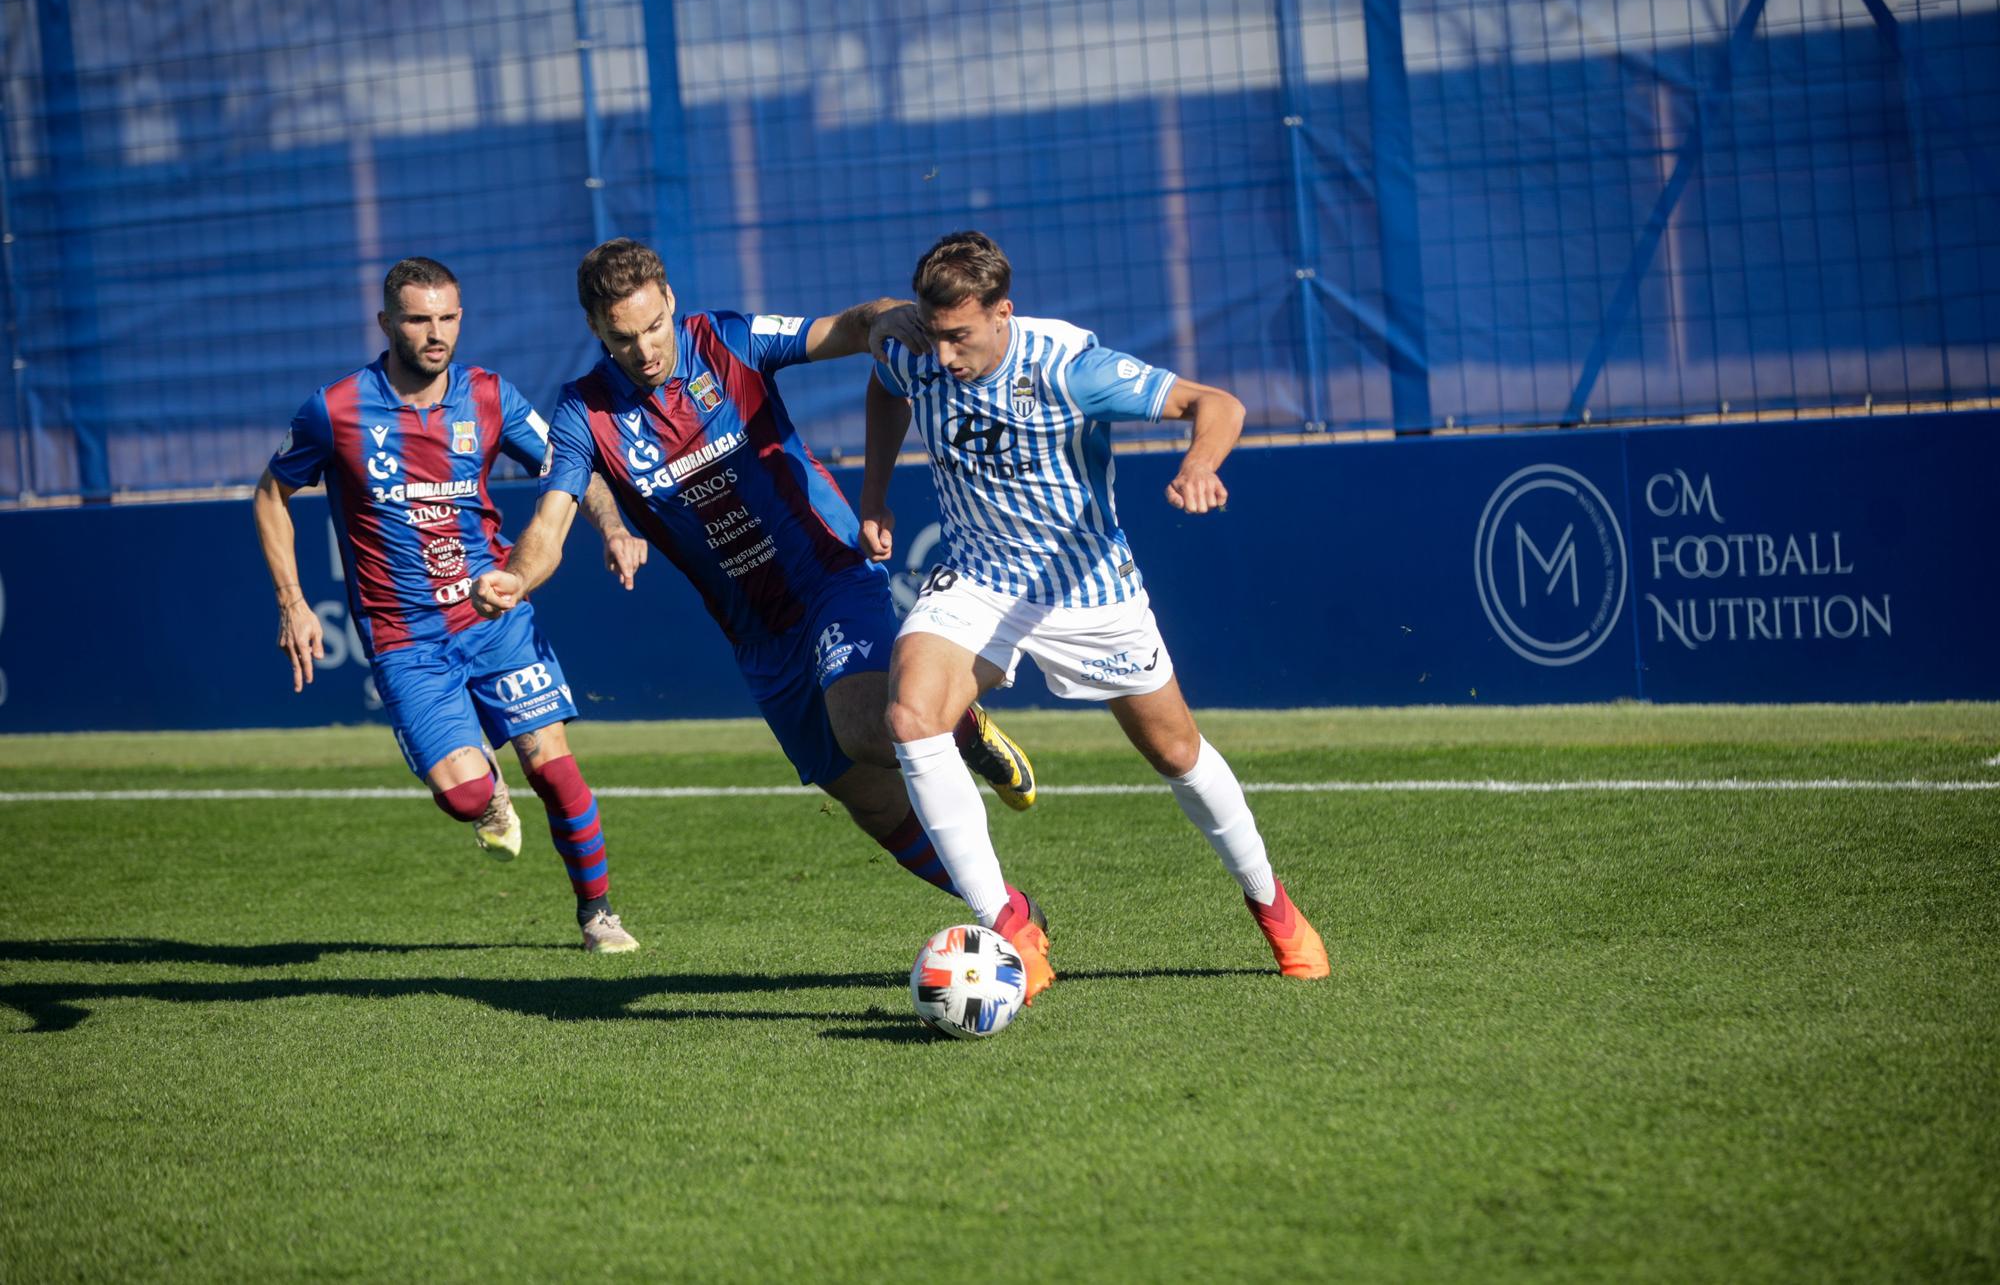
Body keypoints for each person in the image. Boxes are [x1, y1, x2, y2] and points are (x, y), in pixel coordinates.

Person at [472, 238, 1047, 942]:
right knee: (871, 803)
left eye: (654, 327)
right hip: (758, 638)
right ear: (597, 330)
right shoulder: (583, 414)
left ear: (671, 304)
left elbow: (850, 326)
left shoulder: (729, 342)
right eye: (624, 338)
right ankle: (1016, 908)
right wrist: (516, 575)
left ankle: (991, 869)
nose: (647, 349)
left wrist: (891, 320)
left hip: (829, 574)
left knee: (864, 724)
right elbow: (550, 522)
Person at [859, 230, 1331, 1001]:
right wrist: (875, 492)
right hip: (977, 578)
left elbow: (1215, 404)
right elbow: (888, 385)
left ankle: (1272, 905)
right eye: (934, 334)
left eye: (961, 338)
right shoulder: (915, 348)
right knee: (910, 714)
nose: (943, 356)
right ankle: (1009, 927)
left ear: (1002, 313)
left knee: (1178, 752)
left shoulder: (1070, 368)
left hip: (1087, 590)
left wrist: (1199, 462)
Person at [254, 256, 647, 953]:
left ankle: (599, 915)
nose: (435, 333)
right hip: (404, 640)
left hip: (495, 618)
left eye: (447, 318)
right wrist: (293, 600)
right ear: (386, 323)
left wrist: (613, 526)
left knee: (554, 769)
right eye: (417, 318)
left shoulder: (489, 395)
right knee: (466, 795)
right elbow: (271, 494)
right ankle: (487, 796)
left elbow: (569, 464)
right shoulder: (337, 409)